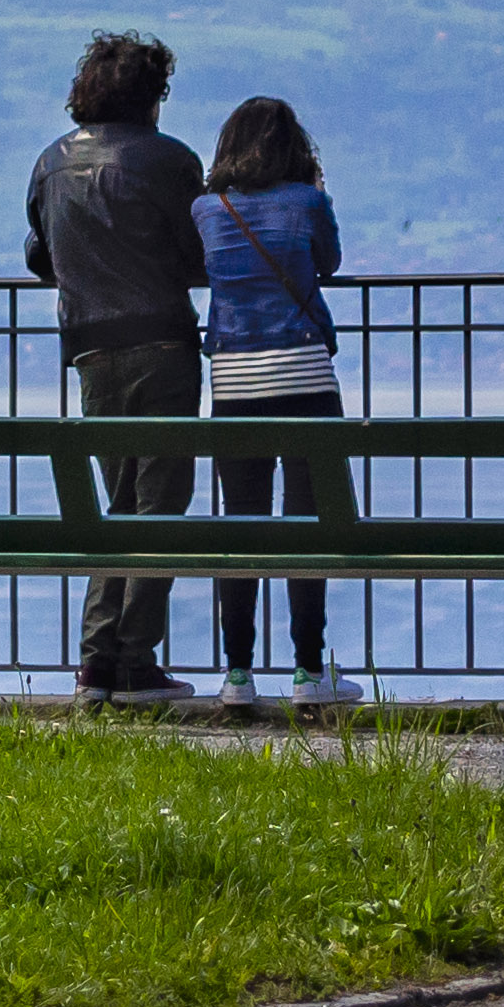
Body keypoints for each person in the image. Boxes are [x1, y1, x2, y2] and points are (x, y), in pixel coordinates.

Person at [22, 31, 210, 705]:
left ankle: (96, 659)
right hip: (160, 343)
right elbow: (198, 253)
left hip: (90, 348)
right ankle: (132, 659)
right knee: (157, 503)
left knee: (118, 505)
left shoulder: (49, 164)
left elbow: (39, 252)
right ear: (148, 96)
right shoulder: (168, 161)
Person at [197, 97, 363, 711]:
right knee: (305, 525)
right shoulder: (307, 202)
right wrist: (315, 189)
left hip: (235, 380)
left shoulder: (206, 210)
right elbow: (329, 261)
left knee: (241, 524)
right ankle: (307, 671)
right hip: (304, 374)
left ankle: (237, 676)